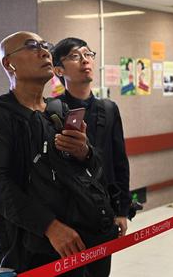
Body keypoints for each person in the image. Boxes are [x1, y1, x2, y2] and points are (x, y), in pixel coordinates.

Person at [0, 31, 115, 276]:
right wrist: (50, 227)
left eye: (45, 46)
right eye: (31, 46)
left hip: (72, 243)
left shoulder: (58, 111)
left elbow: (90, 170)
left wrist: (84, 152)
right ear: (9, 63)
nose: (44, 52)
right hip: (23, 252)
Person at [51, 38, 131, 235]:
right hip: (68, 213)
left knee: (102, 266)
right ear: (59, 70)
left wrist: (122, 210)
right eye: (75, 56)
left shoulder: (109, 109)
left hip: (105, 210)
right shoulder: (52, 110)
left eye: (88, 54)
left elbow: (119, 161)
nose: (85, 60)